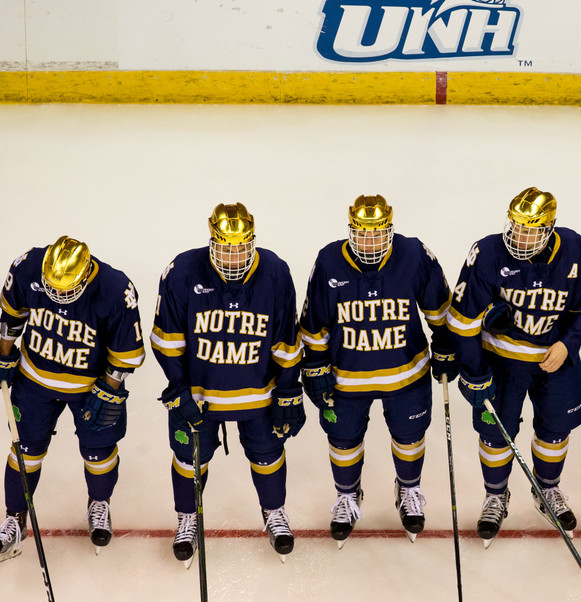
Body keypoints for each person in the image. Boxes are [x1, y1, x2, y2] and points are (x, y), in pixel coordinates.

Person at [447, 187, 581, 547]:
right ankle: (495, 496)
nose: (521, 237)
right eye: (517, 227)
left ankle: (547, 489)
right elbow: (462, 319)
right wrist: (474, 371)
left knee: (556, 429)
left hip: (555, 360)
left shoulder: (576, 250)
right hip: (501, 362)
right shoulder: (487, 252)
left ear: (550, 227)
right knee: (495, 434)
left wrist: (568, 343)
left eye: (532, 229)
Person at [150, 203, 304, 565]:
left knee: (268, 455)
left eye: (240, 247)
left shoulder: (275, 272)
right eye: (225, 247)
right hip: (201, 396)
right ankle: (187, 518)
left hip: (259, 394)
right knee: (189, 460)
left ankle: (274, 513)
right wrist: (178, 390)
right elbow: (167, 340)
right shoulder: (183, 271)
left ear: (252, 242)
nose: (233, 256)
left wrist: (287, 389)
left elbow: (286, 338)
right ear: (212, 243)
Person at [299, 194, 455, 547]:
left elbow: (440, 309)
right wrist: (315, 363)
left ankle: (409, 489)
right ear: (351, 231)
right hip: (346, 378)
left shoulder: (414, 255)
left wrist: (445, 343)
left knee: (409, 437)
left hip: (406, 375)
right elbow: (313, 322)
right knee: (343, 441)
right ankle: (347, 495)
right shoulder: (328, 261)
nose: (370, 242)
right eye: (362, 234)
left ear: (389, 230)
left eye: (378, 233)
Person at [0, 236, 145, 562]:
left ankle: (99, 504)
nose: (56, 295)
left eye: (65, 289)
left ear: (85, 275)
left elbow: (124, 354)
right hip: (34, 381)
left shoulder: (115, 289)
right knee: (26, 450)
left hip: (88, 387)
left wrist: (109, 389)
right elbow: (11, 318)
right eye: (51, 287)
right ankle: (14, 518)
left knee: (99, 453)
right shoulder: (28, 267)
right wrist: (4, 357)